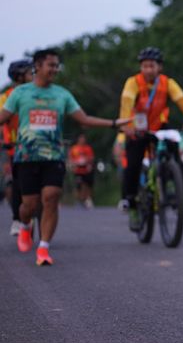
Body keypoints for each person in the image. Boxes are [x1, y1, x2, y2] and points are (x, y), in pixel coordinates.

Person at [0, 49, 131, 265]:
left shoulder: (62, 95)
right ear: (38, 66)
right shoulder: (20, 93)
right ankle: (25, 225)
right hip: (26, 157)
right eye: (51, 65)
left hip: (54, 156)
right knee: (29, 205)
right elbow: (3, 117)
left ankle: (44, 248)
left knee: (51, 197)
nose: (55, 69)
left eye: (57, 65)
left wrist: (114, 123)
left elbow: (84, 119)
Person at [119, 47, 183, 231]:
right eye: (145, 66)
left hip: (159, 125)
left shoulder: (167, 83)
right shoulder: (133, 82)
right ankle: (131, 202)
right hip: (137, 127)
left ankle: (171, 183)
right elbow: (126, 102)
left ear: (159, 67)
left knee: (173, 149)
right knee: (133, 163)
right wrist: (126, 126)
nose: (148, 70)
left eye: (152, 66)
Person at [0, 58, 33, 235]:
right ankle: (16, 219)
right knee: (17, 183)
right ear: (19, 77)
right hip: (15, 147)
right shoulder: (6, 97)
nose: (33, 75)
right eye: (29, 72)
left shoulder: (37, 93)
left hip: (36, 146)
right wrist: (5, 141)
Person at [68, 134, 95, 209]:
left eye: (83, 139)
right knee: (78, 186)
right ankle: (79, 200)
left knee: (87, 185)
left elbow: (91, 158)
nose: (82, 140)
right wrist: (73, 165)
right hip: (78, 170)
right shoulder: (74, 148)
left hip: (86, 170)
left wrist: (88, 162)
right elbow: (70, 159)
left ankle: (88, 200)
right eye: (81, 139)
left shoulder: (88, 148)